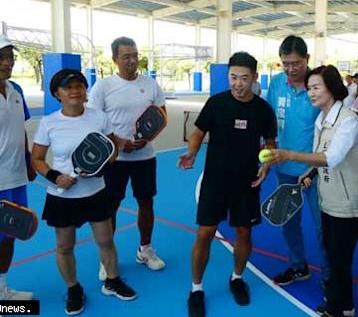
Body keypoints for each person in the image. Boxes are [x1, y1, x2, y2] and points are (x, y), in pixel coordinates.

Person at [178, 52, 277, 317]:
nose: (237, 83)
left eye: (243, 78)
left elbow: (270, 143)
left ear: (254, 78)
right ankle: (196, 289)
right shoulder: (217, 103)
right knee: (205, 233)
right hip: (215, 182)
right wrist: (192, 152)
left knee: (244, 232)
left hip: (247, 183)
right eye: (233, 77)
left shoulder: (262, 109)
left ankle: (237, 278)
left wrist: (266, 164)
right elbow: (198, 131)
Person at [31, 69, 137, 315]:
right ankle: (74, 289)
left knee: (106, 241)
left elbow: (111, 149)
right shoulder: (49, 122)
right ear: (57, 93)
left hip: (96, 192)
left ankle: (112, 281)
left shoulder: (99, 117)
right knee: (65, 246)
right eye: (68, 88)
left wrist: (102, 165)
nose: (75, 91)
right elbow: (37, 159)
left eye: (79, 86)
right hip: (62, 196)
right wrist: (55, 176)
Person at [270, 65, 358, 317]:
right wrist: (309, 172)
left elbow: (331, 157)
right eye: (309, 88)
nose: (311, 93)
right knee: (336, 257)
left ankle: (337, 308)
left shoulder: (347, 121)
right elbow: (320, 156)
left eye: (316, 87)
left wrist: (289, 154)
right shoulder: (321, 119)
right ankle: (344, 306)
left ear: (332, 87)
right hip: (328, 199)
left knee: (338, 258)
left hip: (347, 203)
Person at [88, 36, 167, 279]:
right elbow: (93, 121)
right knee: (110, 206)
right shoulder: (103, 86)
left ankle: (145, 250)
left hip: (145, 157)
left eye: (135, 55)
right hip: (114, 160)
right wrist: (119, 143)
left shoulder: (151, 85)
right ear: (115, 60)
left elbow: (161, 115)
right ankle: (107, 257)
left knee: (146, 203)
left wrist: (148, 137)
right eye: (126, 57)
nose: (132, 60)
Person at [266, 35, 329, 287]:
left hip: (315, 171)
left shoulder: (319, 86)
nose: (291, 69)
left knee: (322, 227)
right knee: (289, 222)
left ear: (307, 60)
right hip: (284, 168)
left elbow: (329, 130)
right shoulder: (277, 83)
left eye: (296, 63)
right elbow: (269, 122)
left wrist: (313, 169)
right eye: (286, 64)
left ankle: (329, 277)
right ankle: (298, 266)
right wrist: (269, 152)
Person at [0, 35, 35, 301]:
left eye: (10, 57)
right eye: (1, 57)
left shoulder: (16, 90)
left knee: (10, 234)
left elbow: (20, 128)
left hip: (16, 177)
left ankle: (2, 292)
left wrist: (28, 159)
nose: (6, 62)